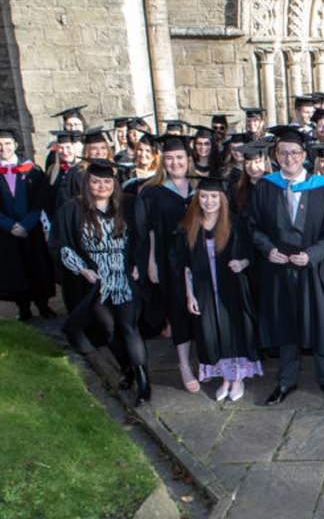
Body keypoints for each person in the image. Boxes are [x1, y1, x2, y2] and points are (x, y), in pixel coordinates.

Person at [249, 127, 324, 405]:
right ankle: (285, 382)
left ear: (304, 156)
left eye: (294, 153)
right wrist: (269, 250)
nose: (289, 158)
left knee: (321, 323)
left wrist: (312, 255)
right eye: (283, 153)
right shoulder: (266, 187)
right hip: (280, 269)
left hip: (314, 270)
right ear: (276, 156)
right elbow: (253, 227)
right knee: (286, 323)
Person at [54, 159, 150, 406]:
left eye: (107, 181)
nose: (101, 186)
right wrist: (83, 269)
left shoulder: (127, 205)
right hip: (97, 283)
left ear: (114, 184)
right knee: (108, 328)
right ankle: (126, 368)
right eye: (96, 181)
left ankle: (143, 381)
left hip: (124, 278)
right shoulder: (72, 210)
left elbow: (141, 237)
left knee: (129, 326)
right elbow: (62, 245)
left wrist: (139, 264)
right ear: (88, 183)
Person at [174, 177, 261, 402]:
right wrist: (189, 293)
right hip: (204, 290)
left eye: (214, 196)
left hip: (231, 288)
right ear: (197, 199)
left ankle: (237, 378)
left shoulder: (235, 223)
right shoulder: (189, 227)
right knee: (210, 331)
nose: (209, 201)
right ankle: (224, 378)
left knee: (235, 329)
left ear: (222, 199)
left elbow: (252, 254)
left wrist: (242, 264)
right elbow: (185, 265)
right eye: (204, 196)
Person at [135, 135, 196, 386]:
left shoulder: (200, 187)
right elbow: (146, 230)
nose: (175, 163)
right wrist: (151, 262)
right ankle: (184, 365)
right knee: (178, 311)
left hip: (198, 259)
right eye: (169, 158)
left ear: (188, 159)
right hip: (168, 259)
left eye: (179, 157)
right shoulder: (152, 191)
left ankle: (208, 359)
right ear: (162, 161)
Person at [0, 128, 55, 320]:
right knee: (16, 272)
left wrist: (26, 225)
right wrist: (10, 226)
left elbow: (40, 201)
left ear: (15, 145)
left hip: (31, 231)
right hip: (7, 234)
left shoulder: (32, 171)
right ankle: (23, 309)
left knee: (37, 268)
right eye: (0, 144)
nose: (3, 148)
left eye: (7, 143)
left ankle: (44, 306)